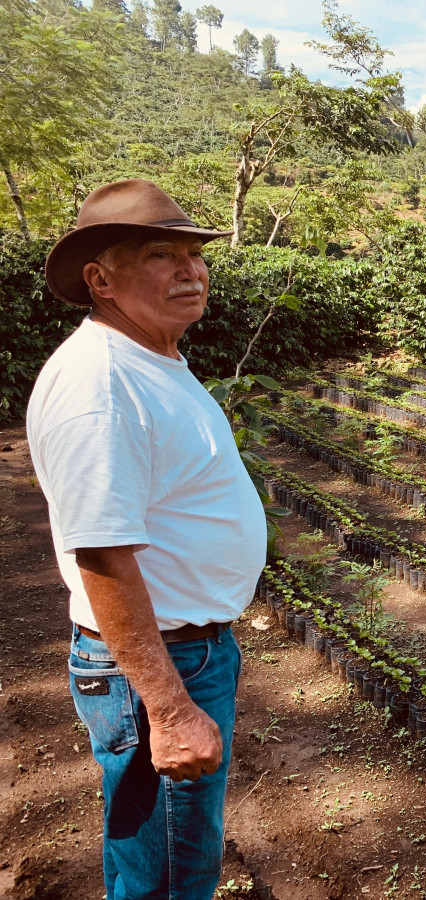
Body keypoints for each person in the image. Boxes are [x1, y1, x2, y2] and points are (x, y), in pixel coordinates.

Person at [26, 179, 267, 900]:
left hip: (190, 649)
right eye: (162, 255)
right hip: (160, 665)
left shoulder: (149, 359)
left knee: (178, 858)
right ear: (100, 279)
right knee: (165, 874)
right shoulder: (99, 384)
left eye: (195, 255)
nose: (190, 271)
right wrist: (167, 708)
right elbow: (100, 552)